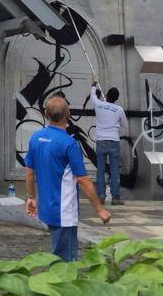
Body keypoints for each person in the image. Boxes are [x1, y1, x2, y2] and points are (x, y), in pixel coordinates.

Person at [25, 94, 111, 261]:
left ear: (45, 114)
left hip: (47, 209)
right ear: (68, 114)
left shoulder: (36, 138)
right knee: (65, 262)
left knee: (57, 255)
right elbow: (83, 180)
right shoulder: (69, 144)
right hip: (64, 212)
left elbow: (29, 170)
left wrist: (31, 198)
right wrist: (100, 209)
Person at [90, 78, 127, 205]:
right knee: (114, 170)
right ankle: (115, 197)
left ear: (107, 95)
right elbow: (124, 125)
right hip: (113, 141)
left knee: (100, 170)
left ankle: (101, 196)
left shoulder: (99, 105)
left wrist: (94, 84)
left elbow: (93, 95)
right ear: (116, 98)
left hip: (100, 140)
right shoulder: (119, 109)